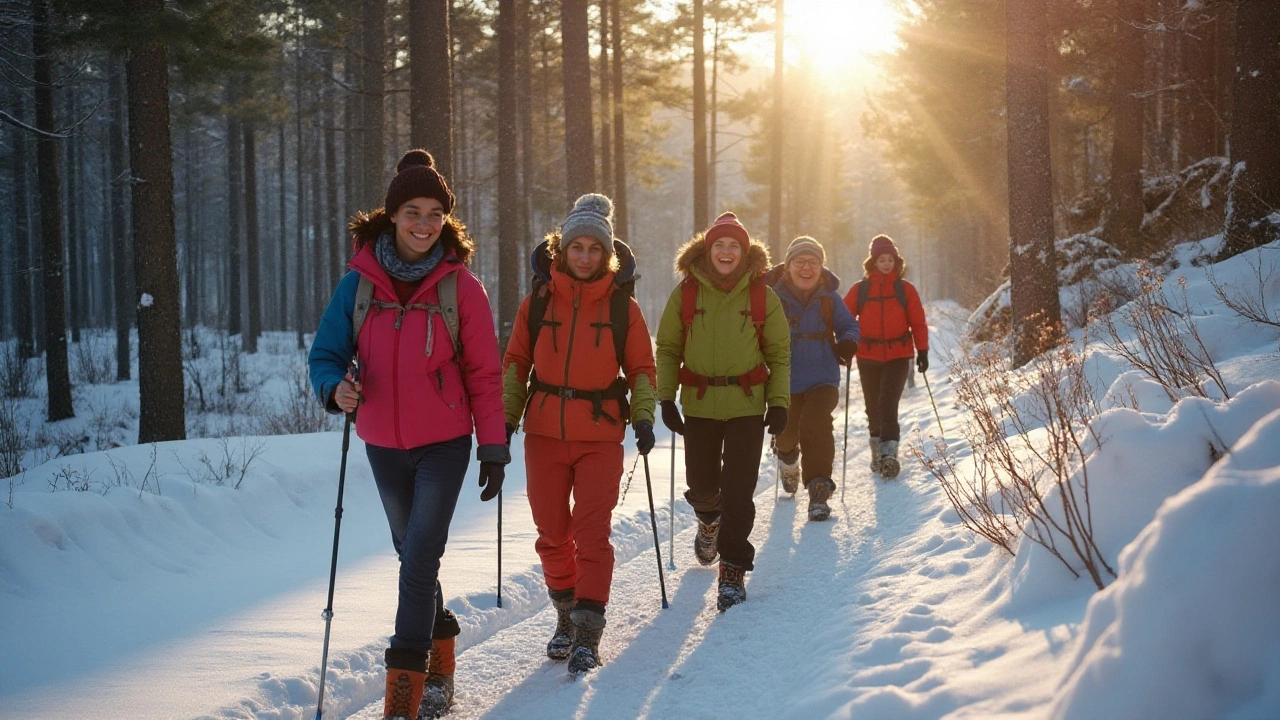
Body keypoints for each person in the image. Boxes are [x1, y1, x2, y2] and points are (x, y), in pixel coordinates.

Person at [308, 150, 509, 720]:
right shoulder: (358, 285)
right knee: (410, 552)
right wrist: (334, 389)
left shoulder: (461, 288)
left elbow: (484, 374)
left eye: (435, 214)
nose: (424, 224)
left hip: (445, 442)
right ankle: (441, 656)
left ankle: (404, 693)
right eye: (413, 212)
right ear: (392, 215)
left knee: (419, 557)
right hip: (381, 444)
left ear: (446, 219)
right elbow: (326, 355)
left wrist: (492, 446)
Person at [502, 193, 657, 676]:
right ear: (561, 251)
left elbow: (642, 369)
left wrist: (645, 416)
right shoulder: (536, 302)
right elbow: (515, 364)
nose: (585, 256)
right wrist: (503, 423)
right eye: (577, 247)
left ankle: (588, 631)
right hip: (544, 433)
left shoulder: (621, 308)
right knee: (551, 533)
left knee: (592, 533)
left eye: (594, 248)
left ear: (607, 253)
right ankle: (565, 616)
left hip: (599, 435)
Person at [655, 212, 790, 612]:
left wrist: (779, 403)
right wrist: (666, 397)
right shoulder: (687, 293)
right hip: (699, 405)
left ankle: (732, 568)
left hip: (747, 407)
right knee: (702, 486)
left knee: (739, 491)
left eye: (734, 246)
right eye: (720, 245)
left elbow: (779, 354)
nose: (727, 252)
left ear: (744, 253)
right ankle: (708, 521)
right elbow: (667, 348)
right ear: (707, 250)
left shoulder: (763, 295)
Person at [764, 236, 860, 521]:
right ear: (788, 265)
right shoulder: (772, 295)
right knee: (787, 433)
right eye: (800, 262)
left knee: (815, 423)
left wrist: (848, 342)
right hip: (784, 378)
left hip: (823, 376)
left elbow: (848, 325)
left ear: (821, 267)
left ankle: (819, 489)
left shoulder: (830, 298)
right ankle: (788, 458)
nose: (807, 268)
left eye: (813, 263)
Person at [841, 234, 929, 480]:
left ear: (896, 261)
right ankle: (877, 453)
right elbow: (845, 319)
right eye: (882, 259)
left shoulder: (905, 289)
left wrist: (922, 351)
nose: (887, 263)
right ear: (873, 262)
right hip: (867, 356)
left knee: (888, 403)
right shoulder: (860, 290)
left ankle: (889, 455)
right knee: (872, 406)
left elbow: (918, 322)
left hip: (898, 354)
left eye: (890, 259)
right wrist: (845, 344)